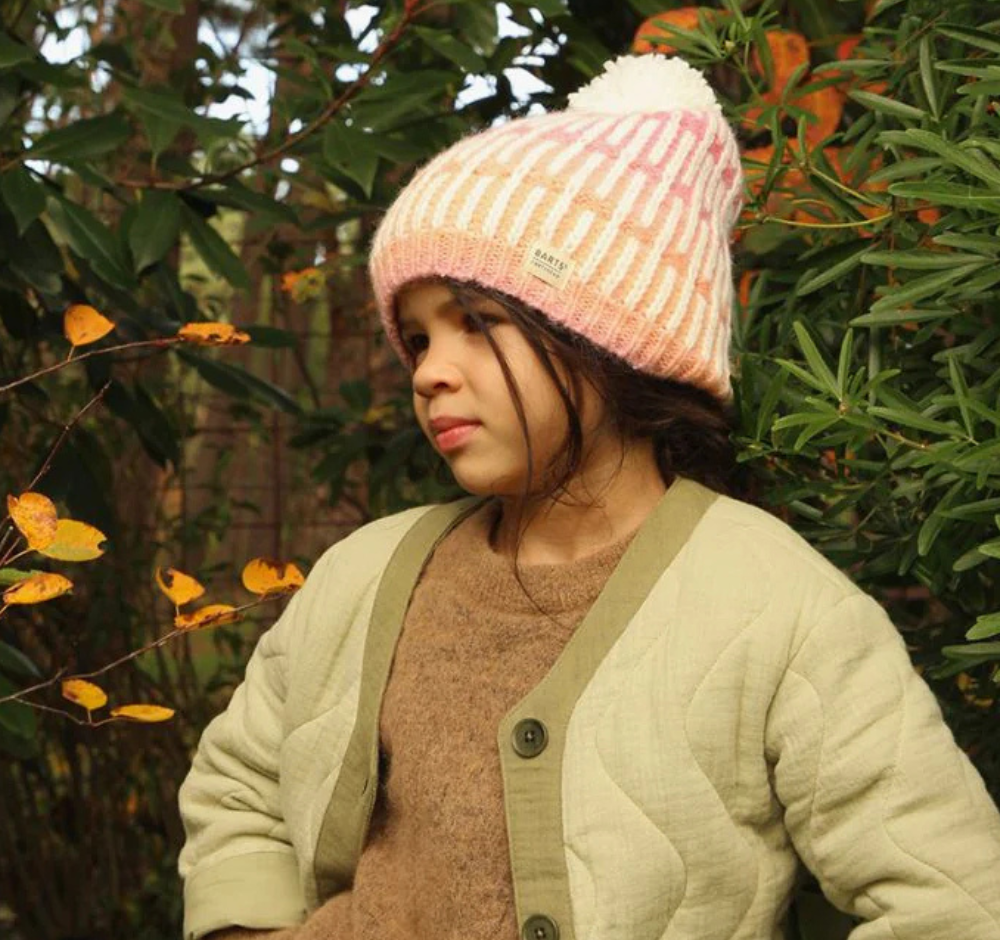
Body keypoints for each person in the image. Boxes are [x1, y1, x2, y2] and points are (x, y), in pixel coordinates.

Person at [177, 54, 1000, 940]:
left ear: (611, 338)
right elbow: (238, 791)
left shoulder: (780, 609)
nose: (431, 374)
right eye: (417, 340)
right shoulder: (363, 577)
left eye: (478, 323)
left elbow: (954, 901)